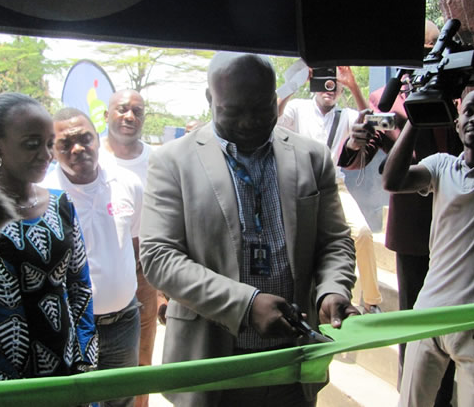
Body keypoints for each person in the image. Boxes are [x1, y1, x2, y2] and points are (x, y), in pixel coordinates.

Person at [140, 52, 358, 407]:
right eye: (233, 111)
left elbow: (334, 241)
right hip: (210, 366)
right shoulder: (172, 162)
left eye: (261, 108)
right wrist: (245, 305)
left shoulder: (312, 157)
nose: (249, 122)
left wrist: (332, 290)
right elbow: (159, 257)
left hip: (293, 364)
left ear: (275, 98)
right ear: (210, 98)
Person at [339, 20, 461, 405]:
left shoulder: (464, 92)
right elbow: (359, 154)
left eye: (432, 48)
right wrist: (355, 140)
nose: (426, 58)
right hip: (414, 232)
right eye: (418, 52)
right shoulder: (386, 101)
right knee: (414, 322)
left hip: (464, 228)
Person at [0, 93, 97, 382]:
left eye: (49, 143)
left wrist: (84, 364)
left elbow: (80, 287)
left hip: (67, 376)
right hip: (1, 384)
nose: (46, 154)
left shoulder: (62, 205)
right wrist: (12, 385)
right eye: (31, 144)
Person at [381, 86, 474, 407]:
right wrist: (416, 118)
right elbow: (392, 181)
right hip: (428, 312)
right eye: (469, 111)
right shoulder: (441, 167)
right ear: (456, 123)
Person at [42, 108, 143, 407]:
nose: (77, 149)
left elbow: (135, 244)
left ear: (98, 140)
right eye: (65, 143)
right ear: (52, 149)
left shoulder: (128, 183)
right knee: (74, 400)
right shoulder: (43, 194)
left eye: (85, 139)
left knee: (121, 400)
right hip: (68, 328)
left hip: (123, 322)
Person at [278, 66, 383, 314]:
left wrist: (353, 86)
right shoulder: (298, 108)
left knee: (363, 233)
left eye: (334, 84)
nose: (329, 88)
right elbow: (273, 114)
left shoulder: (346, 115)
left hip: (335, 186)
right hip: (300, 187)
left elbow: (373, 122)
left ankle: (371, 300)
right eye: (324, 82)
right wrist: (296, 82)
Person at [100, 89, 155, 407]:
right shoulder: (89, 154)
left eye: (137, 111)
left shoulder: (156, 160)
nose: (129, 116)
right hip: (95, 275)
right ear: (107, 114)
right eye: (122, 109)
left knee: (141, 360)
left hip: (143, 273)